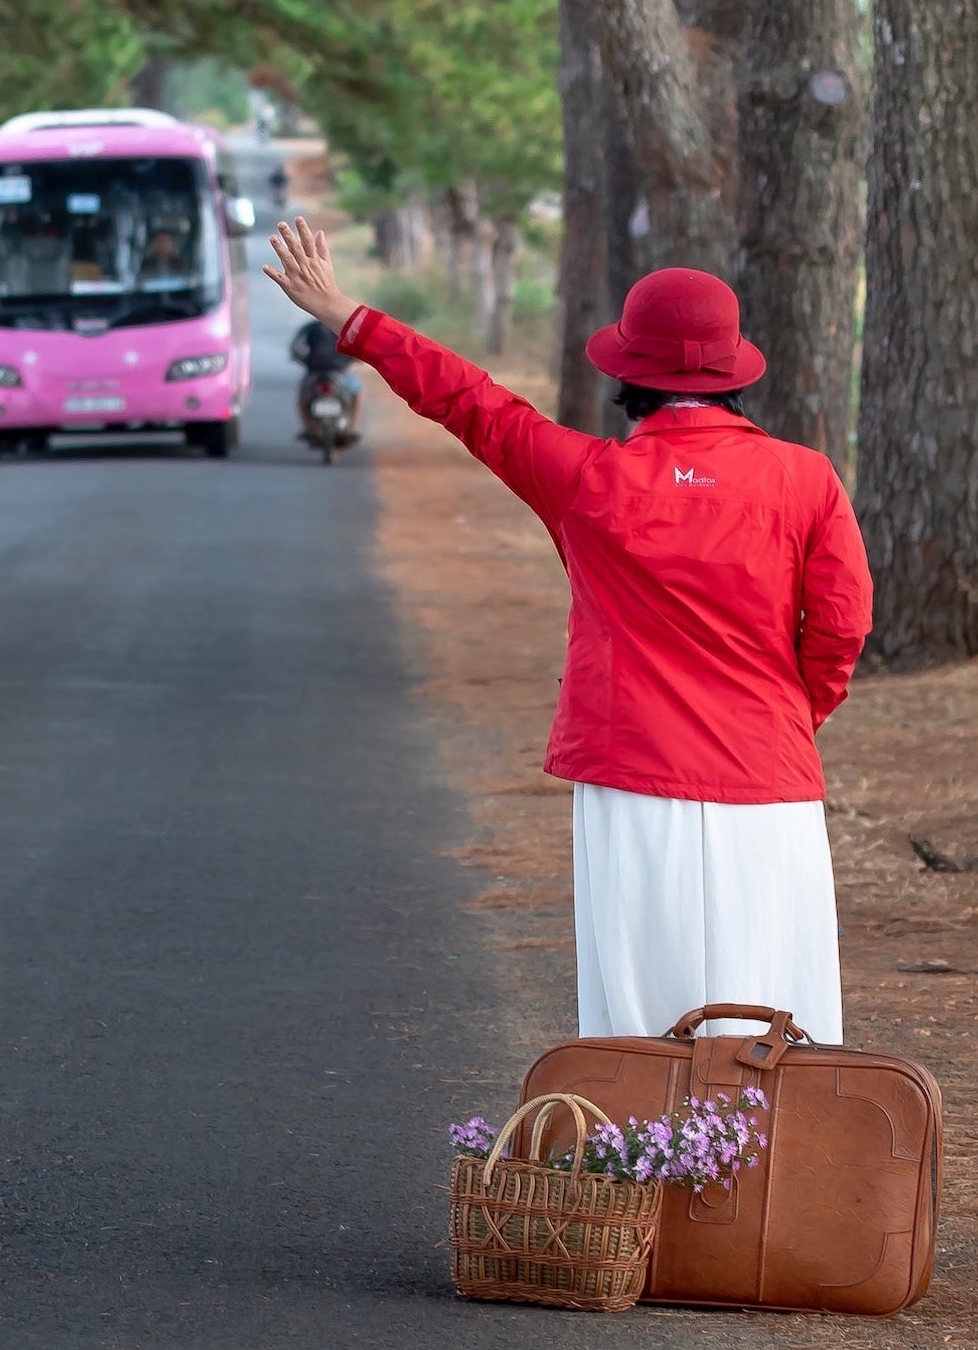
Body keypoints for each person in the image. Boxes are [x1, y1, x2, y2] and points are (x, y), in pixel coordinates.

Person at [263, 218, 871, 1043]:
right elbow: (840, 627)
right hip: (769, 781)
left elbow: (472, 401)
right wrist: (788, 721)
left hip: (631, 776)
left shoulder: (589, 479)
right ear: (735, 371)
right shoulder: (807, 479)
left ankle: (645, 1166)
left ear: (627, 371)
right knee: (777, 1007)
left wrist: (348, 315)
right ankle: (778, 1169)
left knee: (641, 1014)